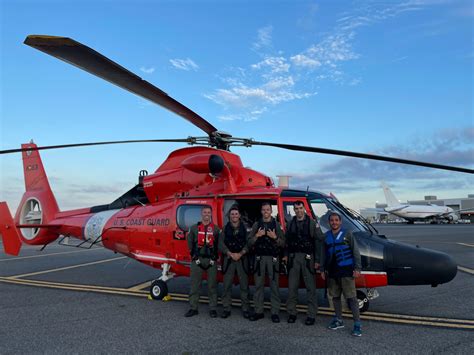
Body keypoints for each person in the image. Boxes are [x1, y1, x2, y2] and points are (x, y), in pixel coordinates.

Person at [320, 210, 363, 336]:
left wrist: (357, 268)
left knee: (352, 298)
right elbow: (323, 254)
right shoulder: (326, 236)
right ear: (329, 222)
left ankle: (357, 324)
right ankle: (338, 319)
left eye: (336, 220)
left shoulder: (347, 234)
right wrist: (322, 269)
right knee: (335, 297)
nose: (334, 222)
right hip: (332, 272)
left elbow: (356, 252)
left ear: (340, 222)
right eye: (332, 220)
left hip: (346, 271)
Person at [283, 200, 324, 325]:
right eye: (296, 209)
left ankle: (311, 314)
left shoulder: (312, 223)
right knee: (292, 287)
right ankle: (292, 312)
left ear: (304, 209)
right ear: (294, 210)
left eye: (300, 208)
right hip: (294, 258)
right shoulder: (290, 224)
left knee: (310, 288)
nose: (299, 210)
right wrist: (285, 256)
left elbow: (319, 242)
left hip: (308, 259)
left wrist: (317, 261)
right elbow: (287, 242)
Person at [248, 202, 285, 322]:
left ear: (271, 211)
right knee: (258, 286)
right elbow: (249, 242)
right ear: (261, 211)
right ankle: (258, 311)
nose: (265, 212)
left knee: (274, 286)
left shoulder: (276, 224)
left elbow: (283, 243)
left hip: (273, 259)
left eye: (268, 210)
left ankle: (275, 312)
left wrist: (274, 237)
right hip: (259, 259)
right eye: (263, 210)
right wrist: (257, 236)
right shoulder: (256, 225)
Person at [185, 206, 221, 318]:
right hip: (197, 260)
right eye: (204, 212)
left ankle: (213, 309)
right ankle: (193, 308)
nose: (206, 214)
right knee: (195, 285)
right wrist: (194, 255)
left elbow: (219, 244)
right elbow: (189, 242)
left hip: (211, 260)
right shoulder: (194, 228)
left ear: (211, 214)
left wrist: (215, 257)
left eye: (208, 212)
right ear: (201, 214)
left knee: (212, 286)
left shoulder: (215, 229)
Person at [219, 206, 250, 319]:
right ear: (229, 216)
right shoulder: (224, 229)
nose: (234, 216)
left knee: (244, 286)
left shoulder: (246, 229)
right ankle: (226, 308)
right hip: (229, 260)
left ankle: (245, 309)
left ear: (239, 215)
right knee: (226, 286)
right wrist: (230, 254)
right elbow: (220, 244)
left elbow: (249, 243)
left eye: (236, 214)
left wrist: (241, 253)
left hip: (242, 259)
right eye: (232, 214)